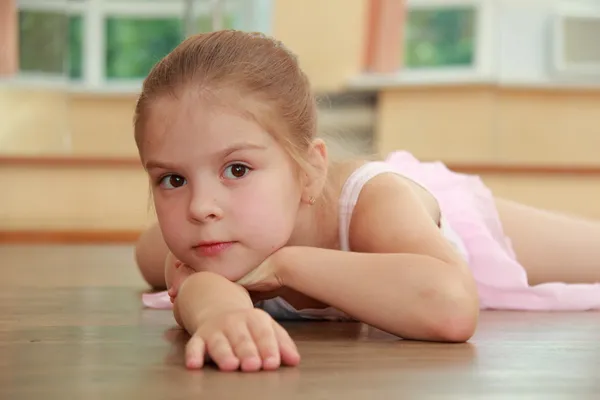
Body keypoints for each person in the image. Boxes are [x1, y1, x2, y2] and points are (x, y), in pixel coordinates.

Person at [133, 30, 600, 373]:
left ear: (309, 169)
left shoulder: (373, 203)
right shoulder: (203, 239)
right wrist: (223, 317)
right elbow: (202, 295)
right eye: (171, 179)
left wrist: (288, 265)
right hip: (283, 222)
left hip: (443, 226)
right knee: (152, 257)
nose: (200, 206)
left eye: (237, 169)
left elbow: (452, 307)